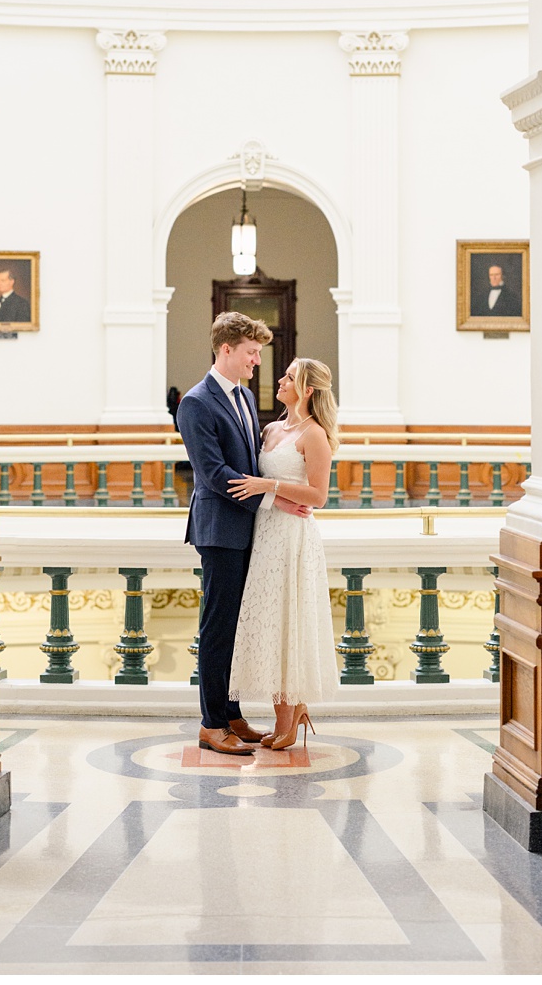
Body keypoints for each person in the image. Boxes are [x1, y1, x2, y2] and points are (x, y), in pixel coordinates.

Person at [177, 312, 311, 756]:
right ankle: (212, 724)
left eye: (259, 353)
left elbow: (255, 462)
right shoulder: (195, 403)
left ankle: (233, 715)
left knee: (237, 627)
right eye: (252, 353)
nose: (258, 361)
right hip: (219, 529)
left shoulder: (247, 398)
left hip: (251, 527)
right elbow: (214, 474)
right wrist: (275, 502)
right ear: (226, 349)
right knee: (217, 628)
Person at [226, 356, 340, 749]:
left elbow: (318, 496)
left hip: (294, 538)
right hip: (267, 532)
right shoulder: (271, 429)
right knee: (273, 624)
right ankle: (286, 715)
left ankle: (289, 718)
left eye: (289, 377)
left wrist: (269, 485)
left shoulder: (315, 434)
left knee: (290, 621)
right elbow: (263, 490)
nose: (280, 379)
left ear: (307, 389)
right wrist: (271, 494)